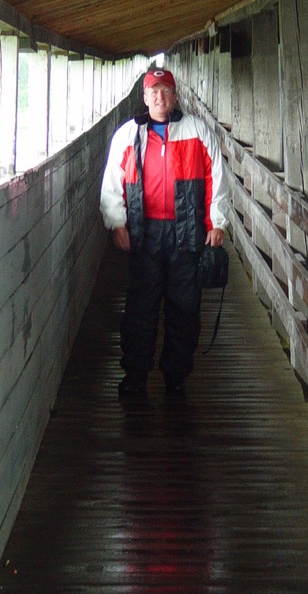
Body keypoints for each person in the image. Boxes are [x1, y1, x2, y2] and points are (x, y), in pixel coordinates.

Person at [100, 68, 229, 397]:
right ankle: (136, 375)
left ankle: (176, 377)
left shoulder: (197, 131)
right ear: (144, 98)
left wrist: (217, 222)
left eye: (165, 91)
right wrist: (116, 222)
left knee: (184, 307)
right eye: (153, 92)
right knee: (141, 306)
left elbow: (217, 176)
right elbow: (112, 183)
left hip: (187, 234)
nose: (160, 97)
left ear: (175, 96)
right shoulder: (128, 135)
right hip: (145, 233)